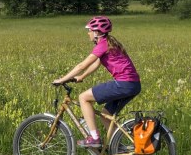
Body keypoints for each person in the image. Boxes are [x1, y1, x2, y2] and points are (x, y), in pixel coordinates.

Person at [52, 16, 141, 148]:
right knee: (106, 115)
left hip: (124, 83)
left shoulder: (103, 44)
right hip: (133, 85)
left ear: (97, 32)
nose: (88, 33)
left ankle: (94, 138)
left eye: (89, 30)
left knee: (83, 98)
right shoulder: (110, 43)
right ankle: (118, 148)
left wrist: (62, 79)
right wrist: (82, 77)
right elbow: (97, 63)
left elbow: (81, 65)